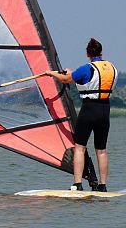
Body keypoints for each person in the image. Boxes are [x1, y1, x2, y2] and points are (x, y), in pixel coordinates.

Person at [46, 38, 117, 192]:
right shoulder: (112, 68)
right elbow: (75, 76)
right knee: (101, 150)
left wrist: (51, 73)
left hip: (89, 109)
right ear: (101, 52)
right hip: (105, 110)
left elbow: (66, 80)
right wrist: (71, 73)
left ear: (87, 53)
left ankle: (77, 184)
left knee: (80, 147)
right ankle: (103, 186)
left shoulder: (87, 68)